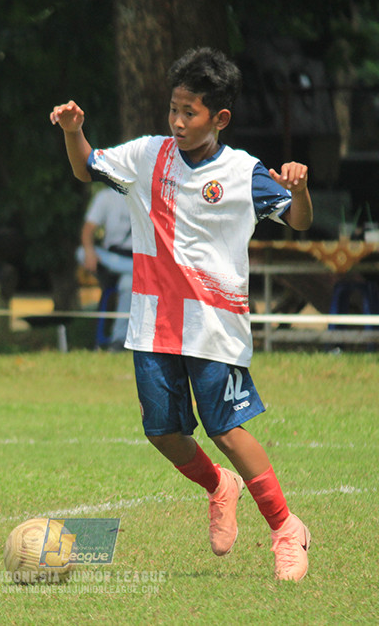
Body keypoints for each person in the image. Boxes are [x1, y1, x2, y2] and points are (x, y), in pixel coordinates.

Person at [49, 47, 314, 581]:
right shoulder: (147, 156)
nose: (177, 122)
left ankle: (287, 529)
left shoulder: (243, 173)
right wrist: (74, 131)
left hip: (215, 327)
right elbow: (85, 167)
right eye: (173, 109)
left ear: (219, 118)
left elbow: (302, 222)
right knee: (162, 432)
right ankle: (220, 486)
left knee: (227, 431)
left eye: (189, 113)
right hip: (153, 324)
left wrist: (300, 190)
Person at [77, 186, 133, 350]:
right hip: (111, 259)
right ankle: (134, 269)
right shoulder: (106, 197)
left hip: (138, 256)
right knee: (80, 253)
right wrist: (89, 251)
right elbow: (88, 230)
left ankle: (118, 339)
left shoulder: (147, 193)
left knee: (129, 283)